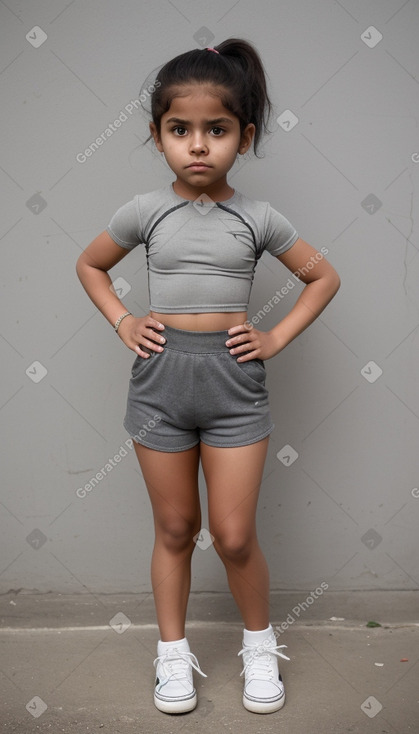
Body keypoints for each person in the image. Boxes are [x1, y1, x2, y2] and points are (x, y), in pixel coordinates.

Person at [76, 37, 340, 716]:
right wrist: (123, 322)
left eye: (216, 130)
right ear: (157, 135)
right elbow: (90, 266)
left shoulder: (256, 218)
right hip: (160, 386)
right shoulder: (143, 211)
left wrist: (275, 334)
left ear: (243, 137)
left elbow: (321, 276)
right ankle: (172, 659)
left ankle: (258, 648)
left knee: (231, 534)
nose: (198, 145)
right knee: (172, 529)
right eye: (179, 130)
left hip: (233, 390)